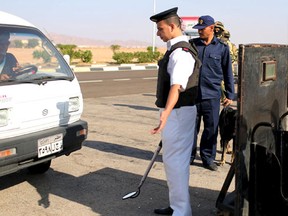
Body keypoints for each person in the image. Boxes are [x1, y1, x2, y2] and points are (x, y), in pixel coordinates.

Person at [150, 7, 197, 216]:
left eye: (160, 29)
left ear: (172, 26)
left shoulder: (181, 52)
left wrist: (165, 114)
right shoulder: (177, 49)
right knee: (173, 161)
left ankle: (181, 211)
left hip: (178, 113)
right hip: (178, 112)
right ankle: (177, 206)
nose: (158, 33)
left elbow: (176, 86)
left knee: (175, 161)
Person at [189, 15, 235, 171]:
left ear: (212, 28)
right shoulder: (192, 45)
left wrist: (230, 94)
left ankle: (208, 158)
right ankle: (188, 156)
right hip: (193, 95)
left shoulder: (222, 48)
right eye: (198, 29)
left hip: (212, 95)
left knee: (211, 129)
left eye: (202, 29)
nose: (199, 32)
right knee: (190, 129)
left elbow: (227, 72)